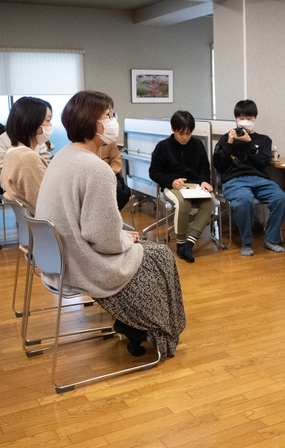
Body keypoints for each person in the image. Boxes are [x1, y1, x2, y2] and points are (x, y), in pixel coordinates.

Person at [35, 90, 185, 358]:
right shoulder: (96, 168)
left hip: (58, 261)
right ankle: (149, 328)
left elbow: (92, 223)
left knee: (151, 252)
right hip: (83, 263)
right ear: (91, 122)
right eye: (109, 115)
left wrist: (124, 235)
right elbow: (102, 238)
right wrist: (127, 239)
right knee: (161, 255)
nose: (114, 120)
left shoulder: (64, 157)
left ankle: (135, 325)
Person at [213, 99, 285, 257]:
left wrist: (249, 143)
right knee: (245, 200)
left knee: (281, 198)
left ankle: (271, 239)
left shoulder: (264, 140)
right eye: (240, 118)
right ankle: (246, 242)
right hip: (234, 180)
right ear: (236, 119)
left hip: (259, 179)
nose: (244, 121)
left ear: (255, 118)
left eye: (248, 117)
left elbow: (262, 163)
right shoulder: (226, 138)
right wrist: (229, 142)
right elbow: (219, 165)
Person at [149, 110, 214, 263]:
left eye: (188, 133)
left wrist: (204, 181)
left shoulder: (197, 145)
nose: (185, 137)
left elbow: (204, 167)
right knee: (183, 203)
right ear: (173, 129)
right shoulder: (163, 147)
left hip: (194, 186)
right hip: (173, 186)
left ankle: (189, 244)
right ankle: (180, 244)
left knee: (210, 201)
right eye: (181, 133)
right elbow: (154, 172)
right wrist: (171, 181)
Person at [0, 96, 52, 215]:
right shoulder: (27, 159)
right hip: (48, 229)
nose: (50, 125)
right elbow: (46, 205)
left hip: (35, 229)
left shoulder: (12, 153)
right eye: (48, 120)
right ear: (32, 122)